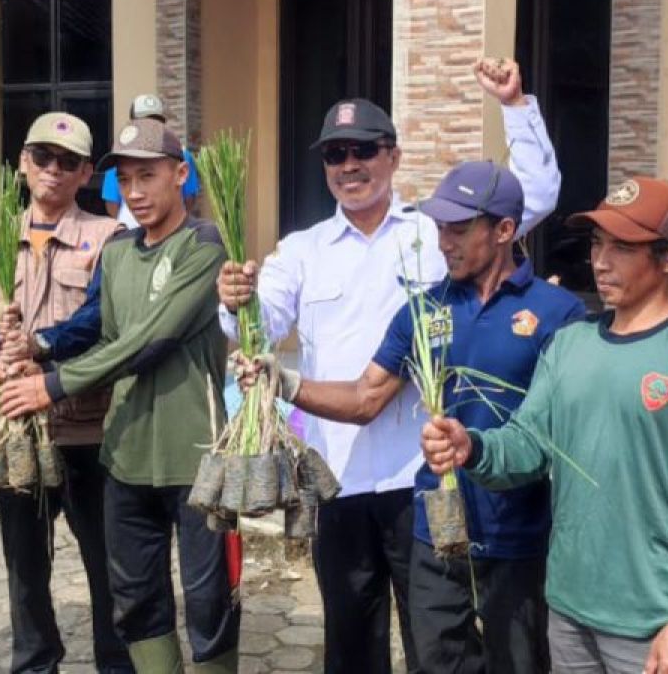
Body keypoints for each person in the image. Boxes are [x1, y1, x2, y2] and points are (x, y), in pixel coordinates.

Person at [217, 59, 561, 674]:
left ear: (393, 157)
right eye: (335, 154)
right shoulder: (301, 251)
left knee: (436, 642)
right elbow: (260, 326)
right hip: (339, 478)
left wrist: (515, 107)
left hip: (422, 478)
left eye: (364, 151)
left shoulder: (432, 233)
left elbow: (533, 196)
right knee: (351, 642)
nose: (349, 165)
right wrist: (234, 300)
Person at [418, 177, 668, 674]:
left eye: (623, 247)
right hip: (568, 609)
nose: (601, 261)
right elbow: (528, 444)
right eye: (596, 243)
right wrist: (473, 448)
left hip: (652, 620)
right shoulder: (571, 343)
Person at [0, 118, 239, 673]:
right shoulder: (119, 251)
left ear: (180, 174)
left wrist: (51, 385)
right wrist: (35, 348)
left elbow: (148, 340)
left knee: (208, 602)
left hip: (197, 455)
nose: (134, 191)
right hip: (125, 454)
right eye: (125, 179)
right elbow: (105, 335)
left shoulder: (203, 245)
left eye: (148, 176)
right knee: (136, 599)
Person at [0, 112, 132, 674]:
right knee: (25, 564)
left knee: (108, 565)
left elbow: (104, 317)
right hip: (16, 430)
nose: (54, 170)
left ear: (84, 175)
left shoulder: (109, 238)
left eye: (69, 162)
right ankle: (35, 663)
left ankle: (117, 663)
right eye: (43, 158)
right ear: (25, 164)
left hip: (87, 428)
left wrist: (43, 343)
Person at [102, 94, 201, 226]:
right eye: (142, 121)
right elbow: (112, 203)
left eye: (155, 121)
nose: (149, 126)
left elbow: (189, 198)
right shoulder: (121, 156)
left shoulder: (180, 153)